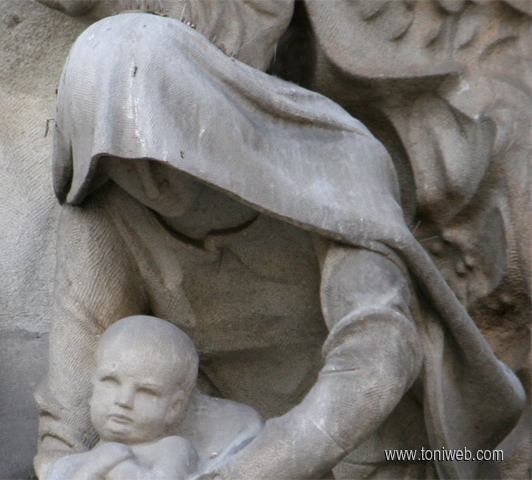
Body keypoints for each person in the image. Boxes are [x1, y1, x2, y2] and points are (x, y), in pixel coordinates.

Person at [35, 11, 524, 480]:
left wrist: (247, 473)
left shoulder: (329, 163)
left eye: (158, 149)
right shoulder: (105, 215)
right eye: (120, 160)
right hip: (208, 446)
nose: (148, 182)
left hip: (361, 446)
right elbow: (69, 419)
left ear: (201, 114)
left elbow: (378, 356)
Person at [47, 315, 199, 480]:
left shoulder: (171, 447)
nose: (124, 401)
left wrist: (118, 465)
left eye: (146, 391)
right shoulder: (68, 464)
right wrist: (102, 461)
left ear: (174, 407)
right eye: (111, 382)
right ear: (92, 387)